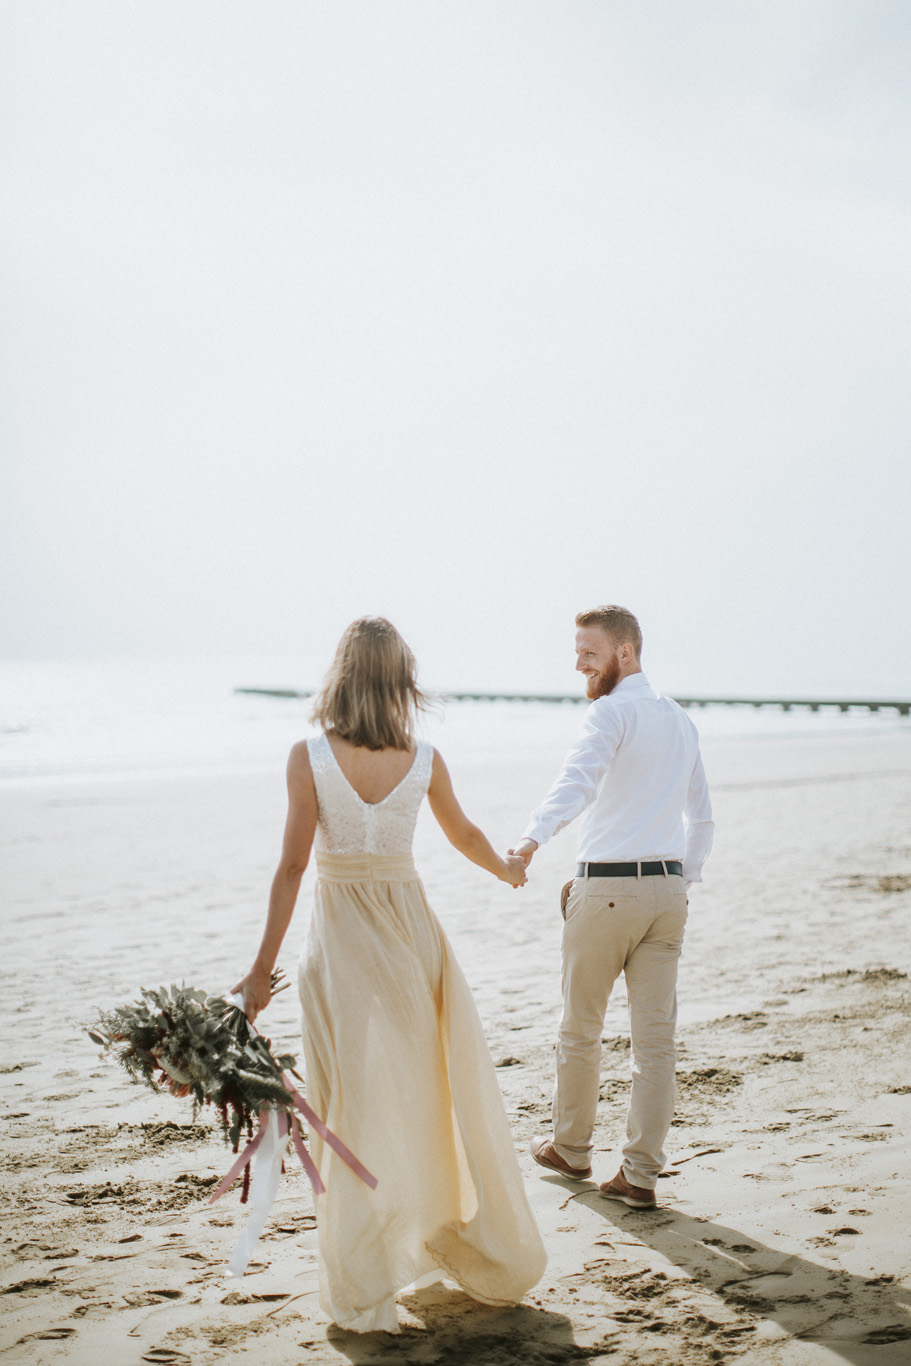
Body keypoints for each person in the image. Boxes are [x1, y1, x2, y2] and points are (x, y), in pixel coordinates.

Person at [233, 617, 546, 1333]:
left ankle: (368, 1269)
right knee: (426, 1091)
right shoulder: (425, 758)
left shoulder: (308, 756)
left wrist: (259, 973)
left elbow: (291, 868)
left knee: (350, 1106)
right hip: (410, 936)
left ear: (340, 676)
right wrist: (507, 869)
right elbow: (464, 835)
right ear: (403, 679)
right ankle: (428, 1230)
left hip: (341, 939)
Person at [510, 606, 714, 1209]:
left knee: (581, 1030)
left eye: (590, 652)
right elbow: (701, 815)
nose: (579, 663)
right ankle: (640, 1175)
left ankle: (571, 1149)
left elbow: (577, 779)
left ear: (625, 653)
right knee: (656, 1042)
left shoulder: (610, 711)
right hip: (668, 894)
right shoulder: (680, 719)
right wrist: (684, 879)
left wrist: (529, 842)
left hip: (606, 890)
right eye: (577, 651)